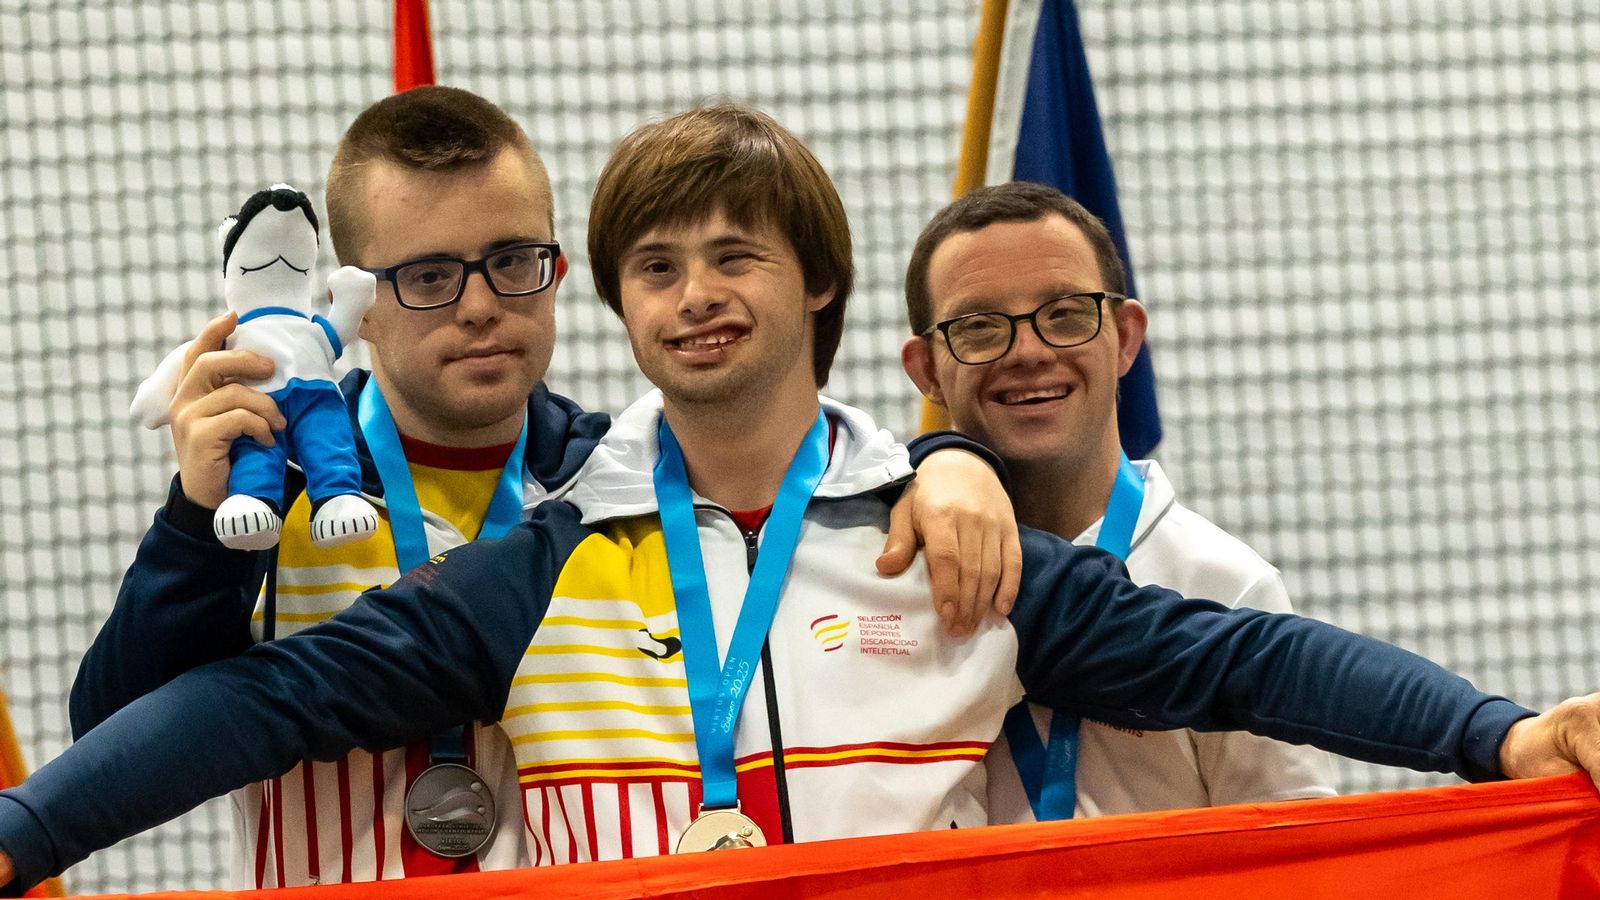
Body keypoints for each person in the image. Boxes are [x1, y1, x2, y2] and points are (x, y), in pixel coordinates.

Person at [3, 103, 1597, 893]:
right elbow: (258, 707)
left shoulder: (950, 537)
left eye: (735, 254)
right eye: (657, 265)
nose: (698, 296)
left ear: (817, 281)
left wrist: (1501, 734)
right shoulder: (549, 551)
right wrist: (22, 835)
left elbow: (1242, 660)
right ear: (616, 307)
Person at [68, 88, 1019, 889]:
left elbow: (793, 456)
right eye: (432, 274)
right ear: (350, 303)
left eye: (514, 262)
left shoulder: (615, 491)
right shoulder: (265, 489)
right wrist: (195, 524)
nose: (481, 305)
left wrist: (952, 459)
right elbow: (111, 741)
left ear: (558, 269)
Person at [901, 181, 1337, 820]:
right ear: (927, 370)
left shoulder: (1225, 587)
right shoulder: (890, 582)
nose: (1029, 350)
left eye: (1066, 313)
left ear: (1128, 337)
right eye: (979, 326)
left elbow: (1293, 863)